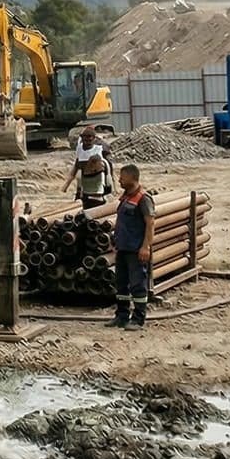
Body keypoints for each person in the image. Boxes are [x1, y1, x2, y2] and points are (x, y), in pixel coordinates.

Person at [110, 164, 156, 330]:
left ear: (132, 178)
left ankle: (138, 318)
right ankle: (121, 316)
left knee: (137, 284)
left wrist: (146, 247)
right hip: (123, 247)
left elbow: (150, 224)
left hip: (136, 250)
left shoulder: (143, 199)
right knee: (121, 284)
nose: (119, 180)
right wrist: (115, 239)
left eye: (122, 177)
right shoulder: (125, 197)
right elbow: (120, 220)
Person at [62, 126, 112, 208]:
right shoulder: (79, 148)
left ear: (94, 138)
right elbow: (77, 163)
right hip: (83, 174)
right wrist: (67, 184)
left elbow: (103, 163)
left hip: (96, 174)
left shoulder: (98, 149)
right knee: (80, 181)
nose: (87, 140)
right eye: (85, 137)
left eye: (89, 137)